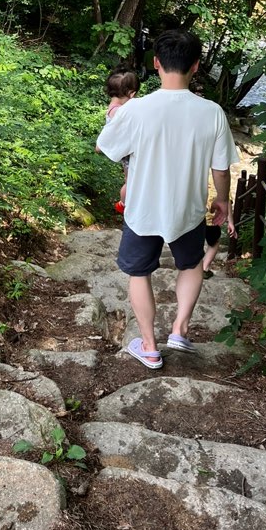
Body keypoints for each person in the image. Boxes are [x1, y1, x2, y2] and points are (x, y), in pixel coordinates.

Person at [96, 29, 238, 370]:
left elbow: (107, 147)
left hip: (142, 209)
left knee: (139, 273)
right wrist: (223, 201)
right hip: (187, 211)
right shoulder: (212, 112)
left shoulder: (136, 109)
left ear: (156, 63)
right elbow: (220, 168)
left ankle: (149, 345)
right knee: (191, 265)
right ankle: (180, 329)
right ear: (196, 66)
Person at [104, 69, 140, 210]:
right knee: (129, 180)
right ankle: (123, 203)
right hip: (125, 150)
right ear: (131, 93)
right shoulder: (119, 111)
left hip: (123, 149)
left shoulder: (113, 107)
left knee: (129, 178)